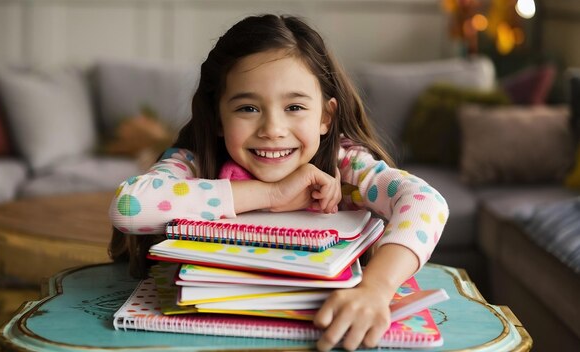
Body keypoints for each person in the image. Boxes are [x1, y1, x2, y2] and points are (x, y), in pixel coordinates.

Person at [108, 14, 449, 352]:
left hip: (327, 329)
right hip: (210, 330)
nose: (272, 129)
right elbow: (128, 207)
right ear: (217, 119)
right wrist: (268, 193)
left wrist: (376, 288)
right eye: (248, 108)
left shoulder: (346, 164)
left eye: (295, 106)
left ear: (325, 117)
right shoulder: (195, 163)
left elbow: (425, 201)